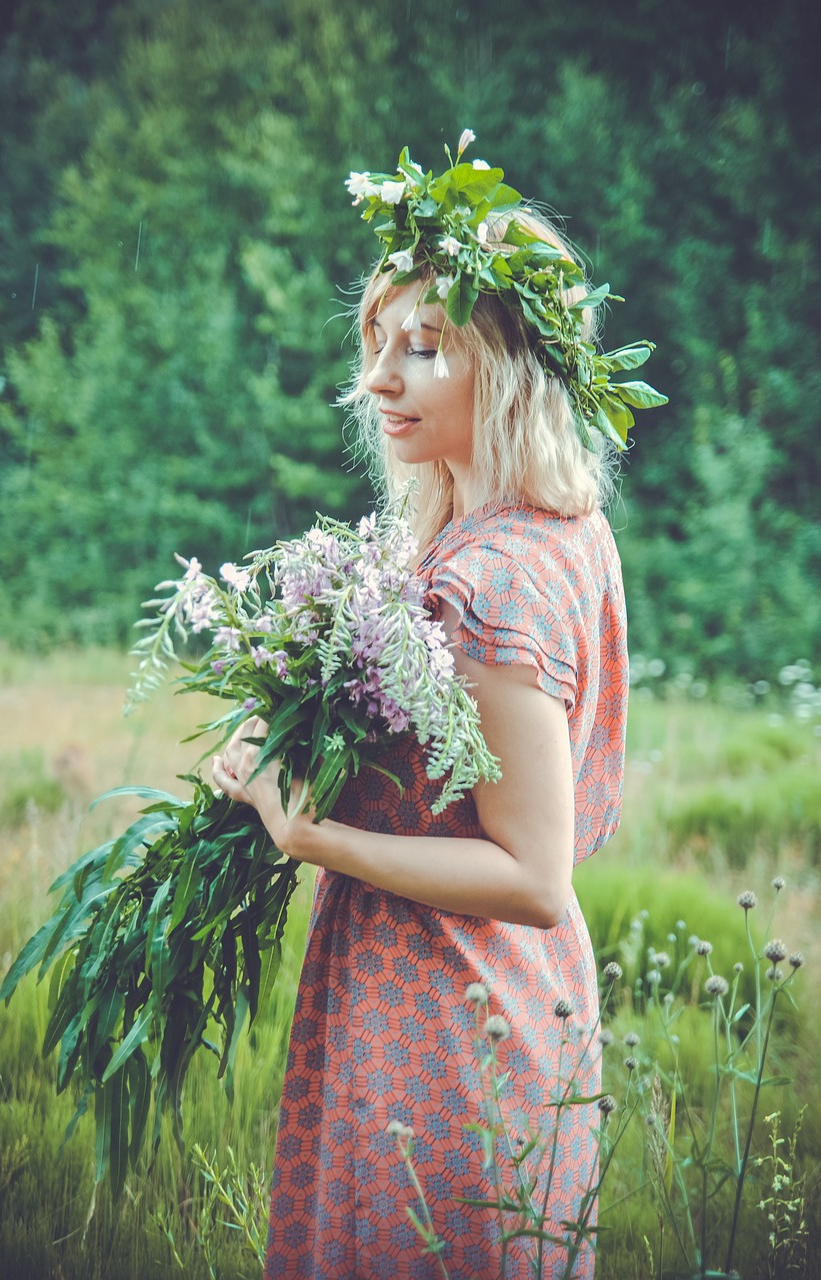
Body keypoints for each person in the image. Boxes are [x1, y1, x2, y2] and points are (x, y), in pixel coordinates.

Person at [213, 132, 663, 1279]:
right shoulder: (550, 528)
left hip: (450, 1021)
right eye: (377, 344)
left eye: (423, 349)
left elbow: (530, 872)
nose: (378, 381)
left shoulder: (492, 575)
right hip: (483, 1008)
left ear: (506, 363)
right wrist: (291, 728)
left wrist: (308, 829)